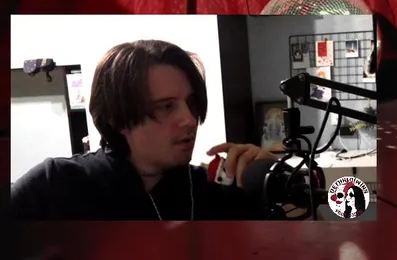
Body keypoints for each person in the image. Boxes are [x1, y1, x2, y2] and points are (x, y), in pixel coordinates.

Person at [10, 39, 280, 221]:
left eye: (191, 103)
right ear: (118, 118)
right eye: (167, 106)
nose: (189, 120)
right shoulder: (56, 185)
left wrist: (277, 183)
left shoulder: (211, 190)